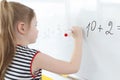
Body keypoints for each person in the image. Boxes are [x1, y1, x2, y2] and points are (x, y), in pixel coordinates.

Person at [0, 0, 83, 80]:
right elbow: (73, 67)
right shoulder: (33, 58)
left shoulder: (4, 53)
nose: (37, 30)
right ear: (22, 28)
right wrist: (78, 38)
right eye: (35, 25)